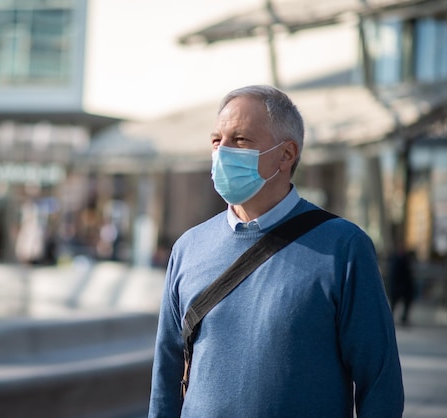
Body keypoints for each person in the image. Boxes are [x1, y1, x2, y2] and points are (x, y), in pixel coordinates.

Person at [148, 85, 404, 417]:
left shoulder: (344, 247)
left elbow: (380, 380)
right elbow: (166, 376)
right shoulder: (188, 247)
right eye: (216, 141)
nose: (222, 152)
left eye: (240, 140)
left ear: (286, 154)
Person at [388, 241, 415, 325]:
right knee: (394, 303)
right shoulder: (395, 258)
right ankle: (390, 318)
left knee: (406, 302)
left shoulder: (405, 258)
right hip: (397, 286)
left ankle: (404, 318)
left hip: (404, 286)